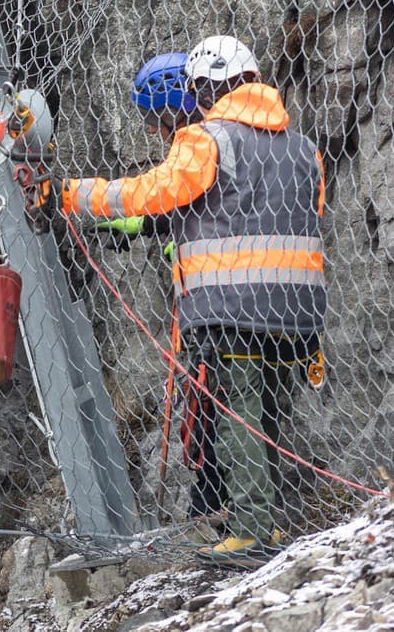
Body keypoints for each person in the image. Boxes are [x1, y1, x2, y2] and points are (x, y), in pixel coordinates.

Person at [25, 36, 326, 564]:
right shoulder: (303, 149)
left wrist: (70, 194)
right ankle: (265, 526)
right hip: (299, 311)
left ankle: (252, 531)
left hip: (232, 308)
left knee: (239, 422)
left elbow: (149, 194)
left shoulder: (206, 140)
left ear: (204, 89)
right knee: (270, 420)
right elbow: (298, 213)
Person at [94, 52, 226, 526]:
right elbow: (170, 208)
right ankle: (213, 506)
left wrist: (118, 214)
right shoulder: (207, 142)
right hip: (207, 298)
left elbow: (172, 202)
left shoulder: (202, 143)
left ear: (173, 106)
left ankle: (216, 508)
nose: (151, 130)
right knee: (206, 406)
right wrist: (128, 226)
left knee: (210, 410)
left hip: (216, 299)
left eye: (154, 118)